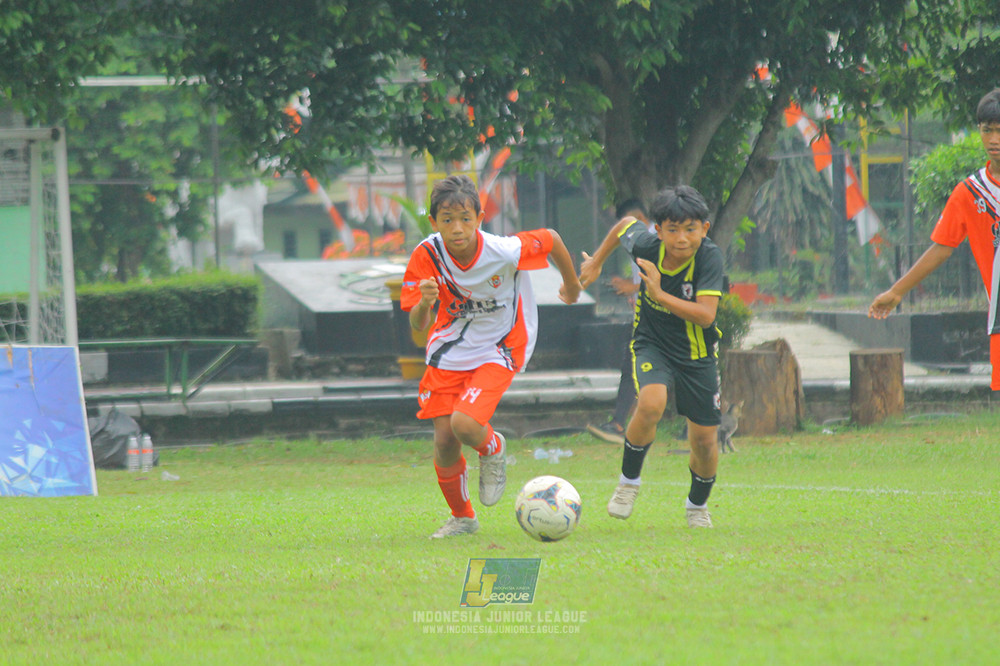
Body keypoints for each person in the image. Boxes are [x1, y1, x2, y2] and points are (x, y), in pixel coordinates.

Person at [401, 174, 583, 538]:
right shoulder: (426, 255)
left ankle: (493, 446)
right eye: (447, 220)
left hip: (500, 347)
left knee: (465, 425)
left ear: (480, 218)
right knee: (444, 441)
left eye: (465, 219)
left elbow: (551, 239)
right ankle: (463, 518)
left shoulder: (504, 250)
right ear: (434, 222)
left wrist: (572, 284)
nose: (457, 228)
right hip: (448, 352)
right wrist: (424, 302)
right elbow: (418, 326)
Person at [580, 185, 725, 528]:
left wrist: (658, 294)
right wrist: (596, 262)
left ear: (704, 229)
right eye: (672, 230)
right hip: (652, 344)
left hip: (697, 354)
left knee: (705, 442)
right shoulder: (646, 246)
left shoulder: (709, 257)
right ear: (658, 231)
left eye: (690, 229)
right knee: (650, 403)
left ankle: (697, 506)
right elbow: (624, 225)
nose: (681, 238)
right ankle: (628, 484)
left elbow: (706, 315)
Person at [869, 88, 1000, 392]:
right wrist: (897, 291)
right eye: (987, 130)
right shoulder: (970, 193)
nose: (994, 140)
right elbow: (942, 248)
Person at [587, 198, 651, 445]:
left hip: (662, 318)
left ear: (638, 220)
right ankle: (620, 423)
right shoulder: (640, 244)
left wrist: (632, 287)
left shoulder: (653, 239)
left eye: (625, 228)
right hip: (645, 316)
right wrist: (631, 288)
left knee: (638, 367)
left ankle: (621, 423)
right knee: (632, 367)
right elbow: (644, 280)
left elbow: (666, 279)